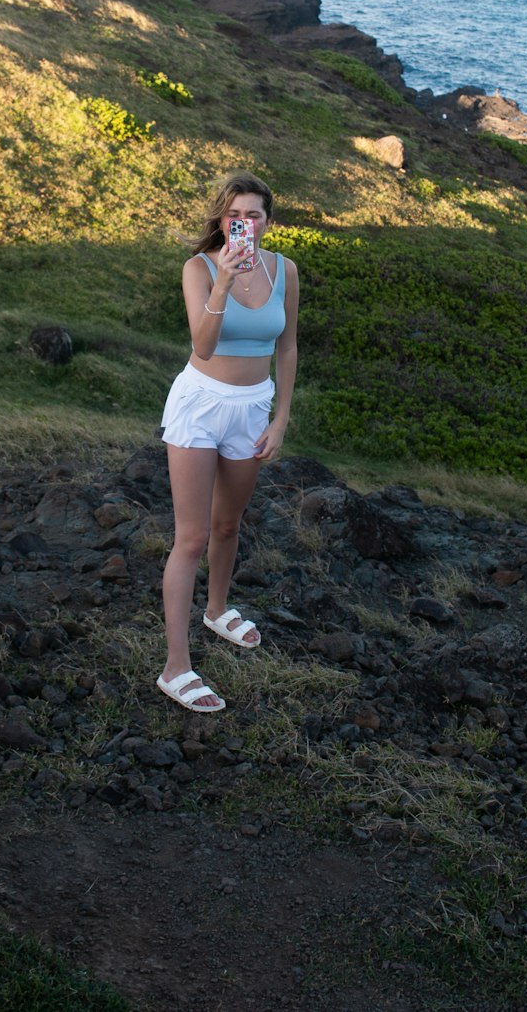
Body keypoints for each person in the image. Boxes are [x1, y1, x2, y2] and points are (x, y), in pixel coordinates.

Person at [157, 171, 299, 713]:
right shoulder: (198, 268)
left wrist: (280, 418)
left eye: (255, 215)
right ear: (223, 220)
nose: (245, 223)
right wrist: (221, 282)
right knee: (191, 538)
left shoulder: (284, 269)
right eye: (234, 216)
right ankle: (176, 667)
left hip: (251, 408)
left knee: (228, 524)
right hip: (201, 403)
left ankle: (216, 610)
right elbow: (205, 343)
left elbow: (286, 348)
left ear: (268, 220)